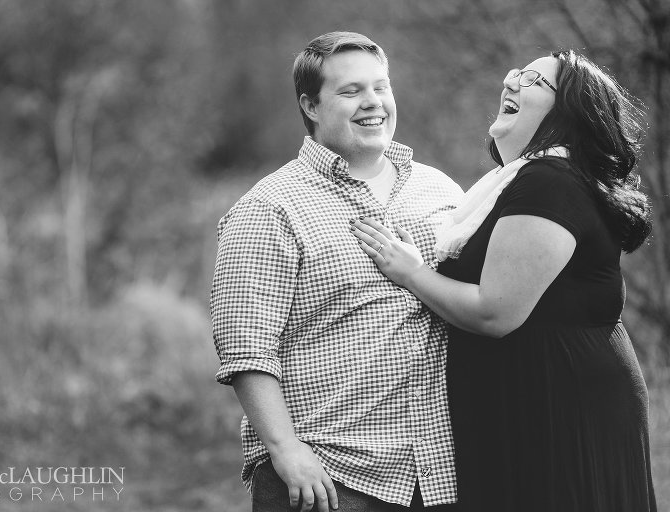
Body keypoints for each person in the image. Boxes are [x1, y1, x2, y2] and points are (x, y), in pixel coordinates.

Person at [351, 50, 656, 512]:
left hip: (559, 406)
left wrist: (409, 271)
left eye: (533, 81)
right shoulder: (520, 181)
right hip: (533, 398)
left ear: (567, 113)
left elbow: (494, 311)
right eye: (515, 72)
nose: (511, 81)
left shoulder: (549, 182)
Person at [211, 32, 463, 512]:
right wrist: (286, 451)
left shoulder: (440, 192)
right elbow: (246, 349)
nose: (373, 103)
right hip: (329, 476)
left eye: (380, 87)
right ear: (310, 104)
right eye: (350, 91)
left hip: (443, 474)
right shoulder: (268, 209)